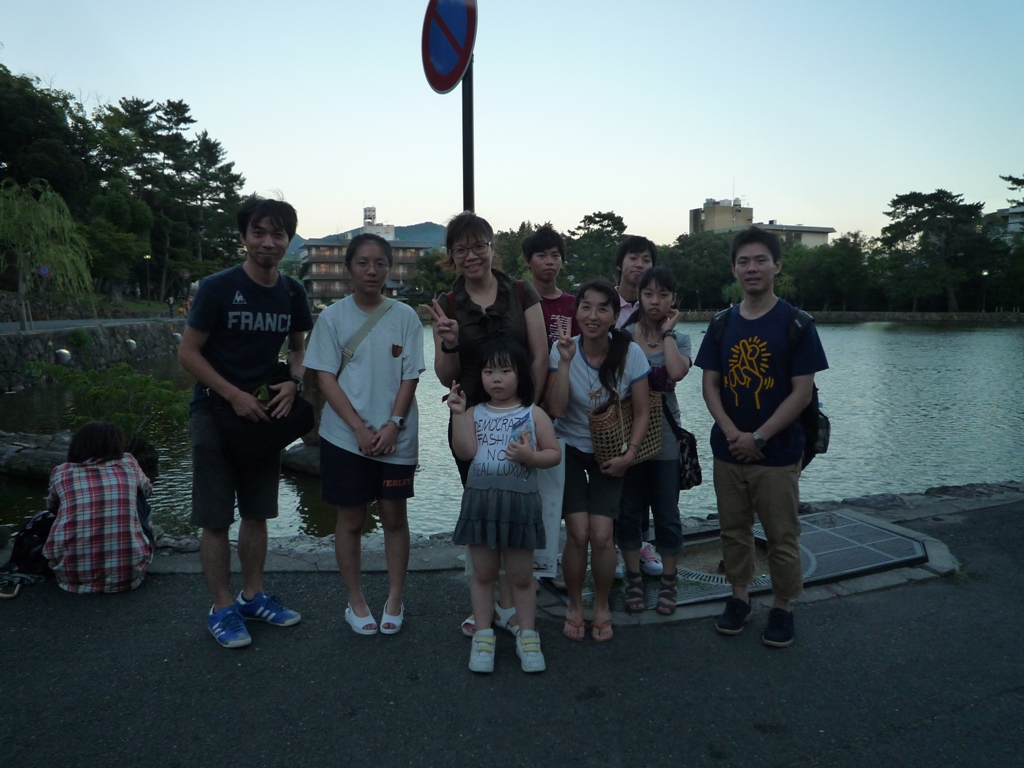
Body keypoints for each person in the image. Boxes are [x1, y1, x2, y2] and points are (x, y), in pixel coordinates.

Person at [177, 196, 314, 649]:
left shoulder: (292, 292)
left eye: (278, 234)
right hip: (214, 414)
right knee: (215, 518)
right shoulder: (218, 288)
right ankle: (221, 607)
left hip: (262, 416)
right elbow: (188, 352)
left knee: (257, 512)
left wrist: (294, 381)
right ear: (243, 237)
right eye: (259, 232)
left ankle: (252, 596)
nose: (268, 242)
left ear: (289, 240)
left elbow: (299, 347)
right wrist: (231, 393)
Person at [694, 226, 828, 648]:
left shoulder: (797, 324)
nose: (751, 268)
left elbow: (801, 392)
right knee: (733, 530)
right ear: (734, 269)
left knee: (782, 534)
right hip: (729, 450)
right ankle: (739, 597)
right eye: (743, 262)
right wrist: (733, 433)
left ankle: (783, 606)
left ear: (776, 266)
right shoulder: (721, 324)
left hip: (778, 452)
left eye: (760, 260)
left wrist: (761, 437)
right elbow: (710, 384)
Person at [423, 211, 549, 638]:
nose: (471, 255)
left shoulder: (521, 291)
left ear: (493, 248)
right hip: (471, 420)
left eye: (479, 245)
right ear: (451, 256)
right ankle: (487, 604)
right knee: (481, 512)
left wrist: (530, 411)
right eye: (461, 249)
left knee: (514, 509)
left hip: (519, 420)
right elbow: (446, 377)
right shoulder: (449, 303)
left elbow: (539, 355)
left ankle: (508, 604)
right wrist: (449, 342)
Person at [303, 233, 424, 636]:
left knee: (394, 516)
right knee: (351, 518)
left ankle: (394, 598)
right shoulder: (332, 318)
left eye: (380, 263)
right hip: (344, 436)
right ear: (348, 268)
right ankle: (355, 601)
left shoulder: (405, 317)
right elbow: (325, 378)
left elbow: (410, 375)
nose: (372, 271)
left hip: (396, 436)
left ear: (390, 268)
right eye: (363, 263)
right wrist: (357, 427)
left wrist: (393, 424)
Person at [544, 281, 651, 642]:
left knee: (603, 535)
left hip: (612, 452)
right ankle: (575, 606)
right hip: (570, 450)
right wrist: (564, 362)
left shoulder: (630, 353)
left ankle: (602, 606)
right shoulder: (562, 349)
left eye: (603, 308)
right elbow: (556, 409)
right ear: (576, 313)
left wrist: (629, 456)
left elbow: (642, 412)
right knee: (578, 533)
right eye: (585, 307)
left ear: (614, 316)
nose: (593, 316)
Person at [448, 338, 561, 672]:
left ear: (520, 375)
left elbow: (554, 454)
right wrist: (457, 414)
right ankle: (484, 636)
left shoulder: (533, 413)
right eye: (488, 372)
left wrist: (531, 457)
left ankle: (528, 636)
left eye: (504, 371)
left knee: (522, 576)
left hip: (519, 504)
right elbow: (465, 452)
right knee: (483, 573)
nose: (496, 379)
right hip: (481, 501)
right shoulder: (473, 412)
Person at [617, 267, 692, 615]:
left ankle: (669, 582)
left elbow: (676, 372)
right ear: (639, 297)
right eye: (648, 294)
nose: (655, 301)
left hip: (665, 434)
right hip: (628, 432)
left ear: (673, 299)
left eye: (663, 295)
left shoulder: (680, 339)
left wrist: (667, 334)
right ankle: (633, 578)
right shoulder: (624, 335)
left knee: (666, 512)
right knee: (629, 510)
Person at [43, 421, 154, 593]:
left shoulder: (62, 472)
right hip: (129, 574)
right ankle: (130, 543)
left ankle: (78, 548)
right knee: (139, 497)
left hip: (69, 574)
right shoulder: (129, 465)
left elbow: (51, 506)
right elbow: (148, 490)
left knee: (63, 506)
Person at [521, 225, 580, 343]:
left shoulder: (573, 304)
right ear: (527, 261)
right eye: (541, 256)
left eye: (555, 256)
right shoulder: (519, 300)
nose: (549, 262)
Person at [612, 235, 657, 329]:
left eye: (646, 260)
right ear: (619, 264)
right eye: (633, 258)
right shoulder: (606, 303)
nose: (639, 265)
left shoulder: (655, 307)